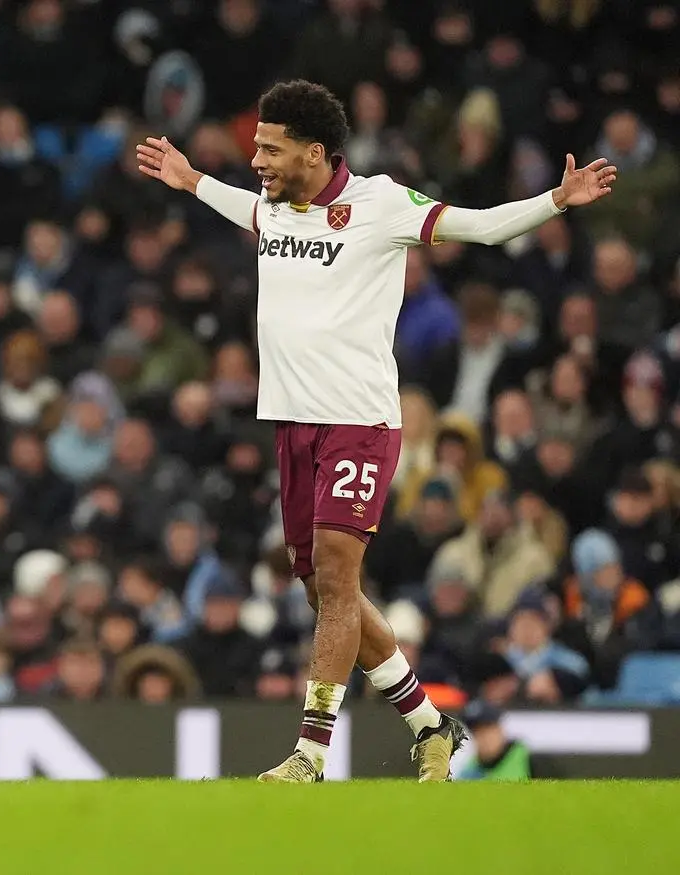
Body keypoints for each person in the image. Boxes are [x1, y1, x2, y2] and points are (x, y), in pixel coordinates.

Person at [136, 79, 615, 783]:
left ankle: (311, 753)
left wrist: (555, 202)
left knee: (335, 573)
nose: (258, 160)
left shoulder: (380, 203)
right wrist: (191, 180)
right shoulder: (274, 206)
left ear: (316, 151)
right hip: (292, 420)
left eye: (271, 148)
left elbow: (476, 225)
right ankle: (428, 723)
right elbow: (248, 210)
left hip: (359, 422)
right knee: (324, 590)